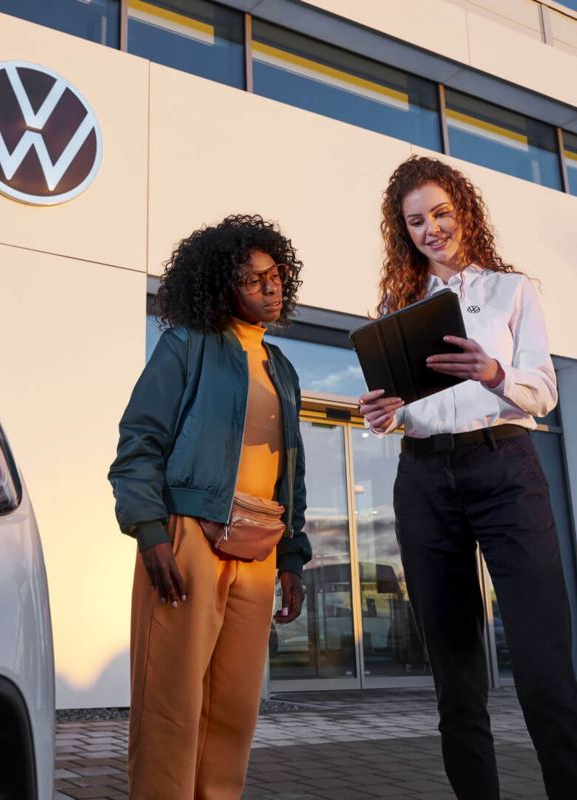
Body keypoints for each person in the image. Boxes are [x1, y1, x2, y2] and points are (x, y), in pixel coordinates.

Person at [359, 155, 577, 800]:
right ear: (404, 232)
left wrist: (493, 374)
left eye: (441, 213)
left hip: (505, 467)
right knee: (455, 682)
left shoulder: (512, 291)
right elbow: (404, 406)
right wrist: (384, 413)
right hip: (425, 478)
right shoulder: (398, 307)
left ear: (465, 210)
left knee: (544, 669)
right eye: (416, 221)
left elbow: (542, 391)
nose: (431, 229)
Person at [109, 214, 312, 800]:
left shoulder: (284, 370)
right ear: (221, 286)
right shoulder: (187, 346)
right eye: (254, 281)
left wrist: (294, 557)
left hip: (259, 548)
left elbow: (291, 471)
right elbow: (138, 441)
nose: (271, 288)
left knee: (233, 708)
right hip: (188, 537)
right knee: (171, 703)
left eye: (277, 276)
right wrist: (150, 531)